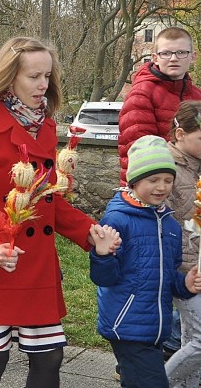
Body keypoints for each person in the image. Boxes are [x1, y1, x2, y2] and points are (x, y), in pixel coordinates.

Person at [0, 36, 118, 388]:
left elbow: (47, 202)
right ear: (9, 77)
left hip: (34, 269)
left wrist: (88, 231)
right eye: (34, 76)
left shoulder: (46, 127)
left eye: (47, 76)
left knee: (50, 358)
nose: (43, 85)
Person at [91, 135, 200, 388]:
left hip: (154, 328)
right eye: (153, 180)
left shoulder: (171, 226)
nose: (161, 187)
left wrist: (186, 283)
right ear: (135, 181)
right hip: (126, 326)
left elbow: (168, 277)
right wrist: (102, 254)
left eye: (168, 180)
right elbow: (103, 278)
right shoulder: (118, 220)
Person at [119, 27, 201, 184]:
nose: (173, 59)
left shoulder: (197, 95)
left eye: (181, 52)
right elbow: (140, 151)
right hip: (152, 188)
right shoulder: (142, 93)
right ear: (155, 58)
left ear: (193, 57)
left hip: (191, 187)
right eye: (166, 53)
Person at [163, 102, 201, 387]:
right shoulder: (166, 169)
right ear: (179, 134)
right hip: (184, 269)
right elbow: (162, 224)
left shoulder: (197, 165)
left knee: (191, 337)